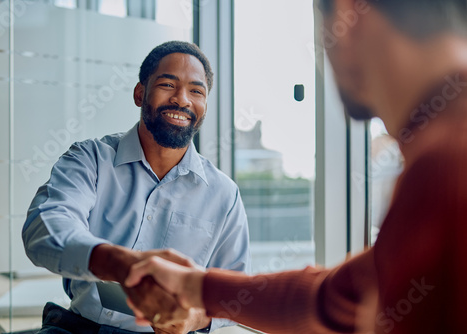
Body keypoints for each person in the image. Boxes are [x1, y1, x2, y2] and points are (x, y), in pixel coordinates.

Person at [122, 0, 467, 333]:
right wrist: (195, 286)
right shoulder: (442, 147)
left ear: (347, 17)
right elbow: (336, 298)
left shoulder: (444, 164)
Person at [22, 41, 250, 334]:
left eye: (196, 91)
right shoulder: (90, 158)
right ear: (140, 93)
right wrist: (123, 265)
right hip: (79, 328)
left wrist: (195, 320)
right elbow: (44, 228)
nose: (182, 100)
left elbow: (237, 293)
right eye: (168, 84)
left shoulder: (224, 193)